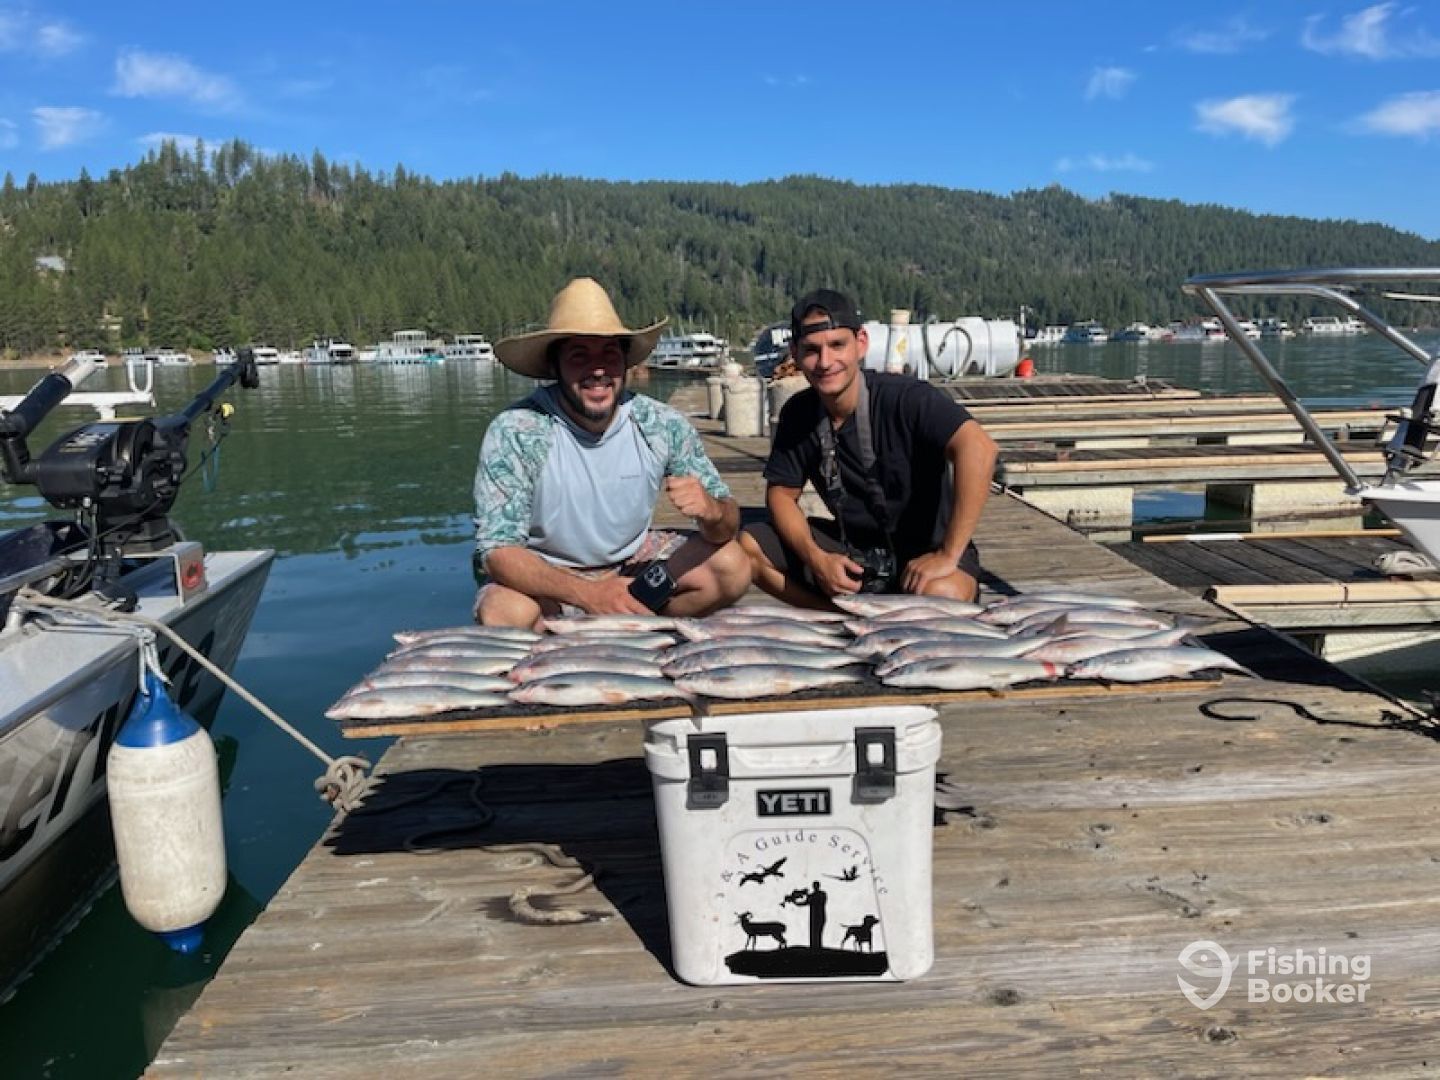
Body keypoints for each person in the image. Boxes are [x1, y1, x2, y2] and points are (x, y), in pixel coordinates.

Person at [472, 277, 750, 628]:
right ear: (554, 366)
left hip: (634, 568)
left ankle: (643, 629)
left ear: (625, 362)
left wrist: (712, 510)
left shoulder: (661, 424)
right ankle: (569, 636)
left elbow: (727, 524)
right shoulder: (516, 430)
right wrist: (589, 594)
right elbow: (497, 551)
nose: (598, 370)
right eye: (580, 356)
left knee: (732, 567)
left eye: (609, 354)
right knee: (504, 612)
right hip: (549, 576)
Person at [740, 289, 998, 606]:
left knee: (943, 595)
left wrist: (948, 553)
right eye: (812, 350)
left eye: (837, 345)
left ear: (861, 343)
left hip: (927, 553)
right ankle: (838, 619)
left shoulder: (906, 397)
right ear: (794, 353)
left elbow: (979, 448)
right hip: (856, 553)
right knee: (749, 546)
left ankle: (890, 609)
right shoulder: (798, 413)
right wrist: (816, 558)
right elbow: (781, 495)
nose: (825, 362)